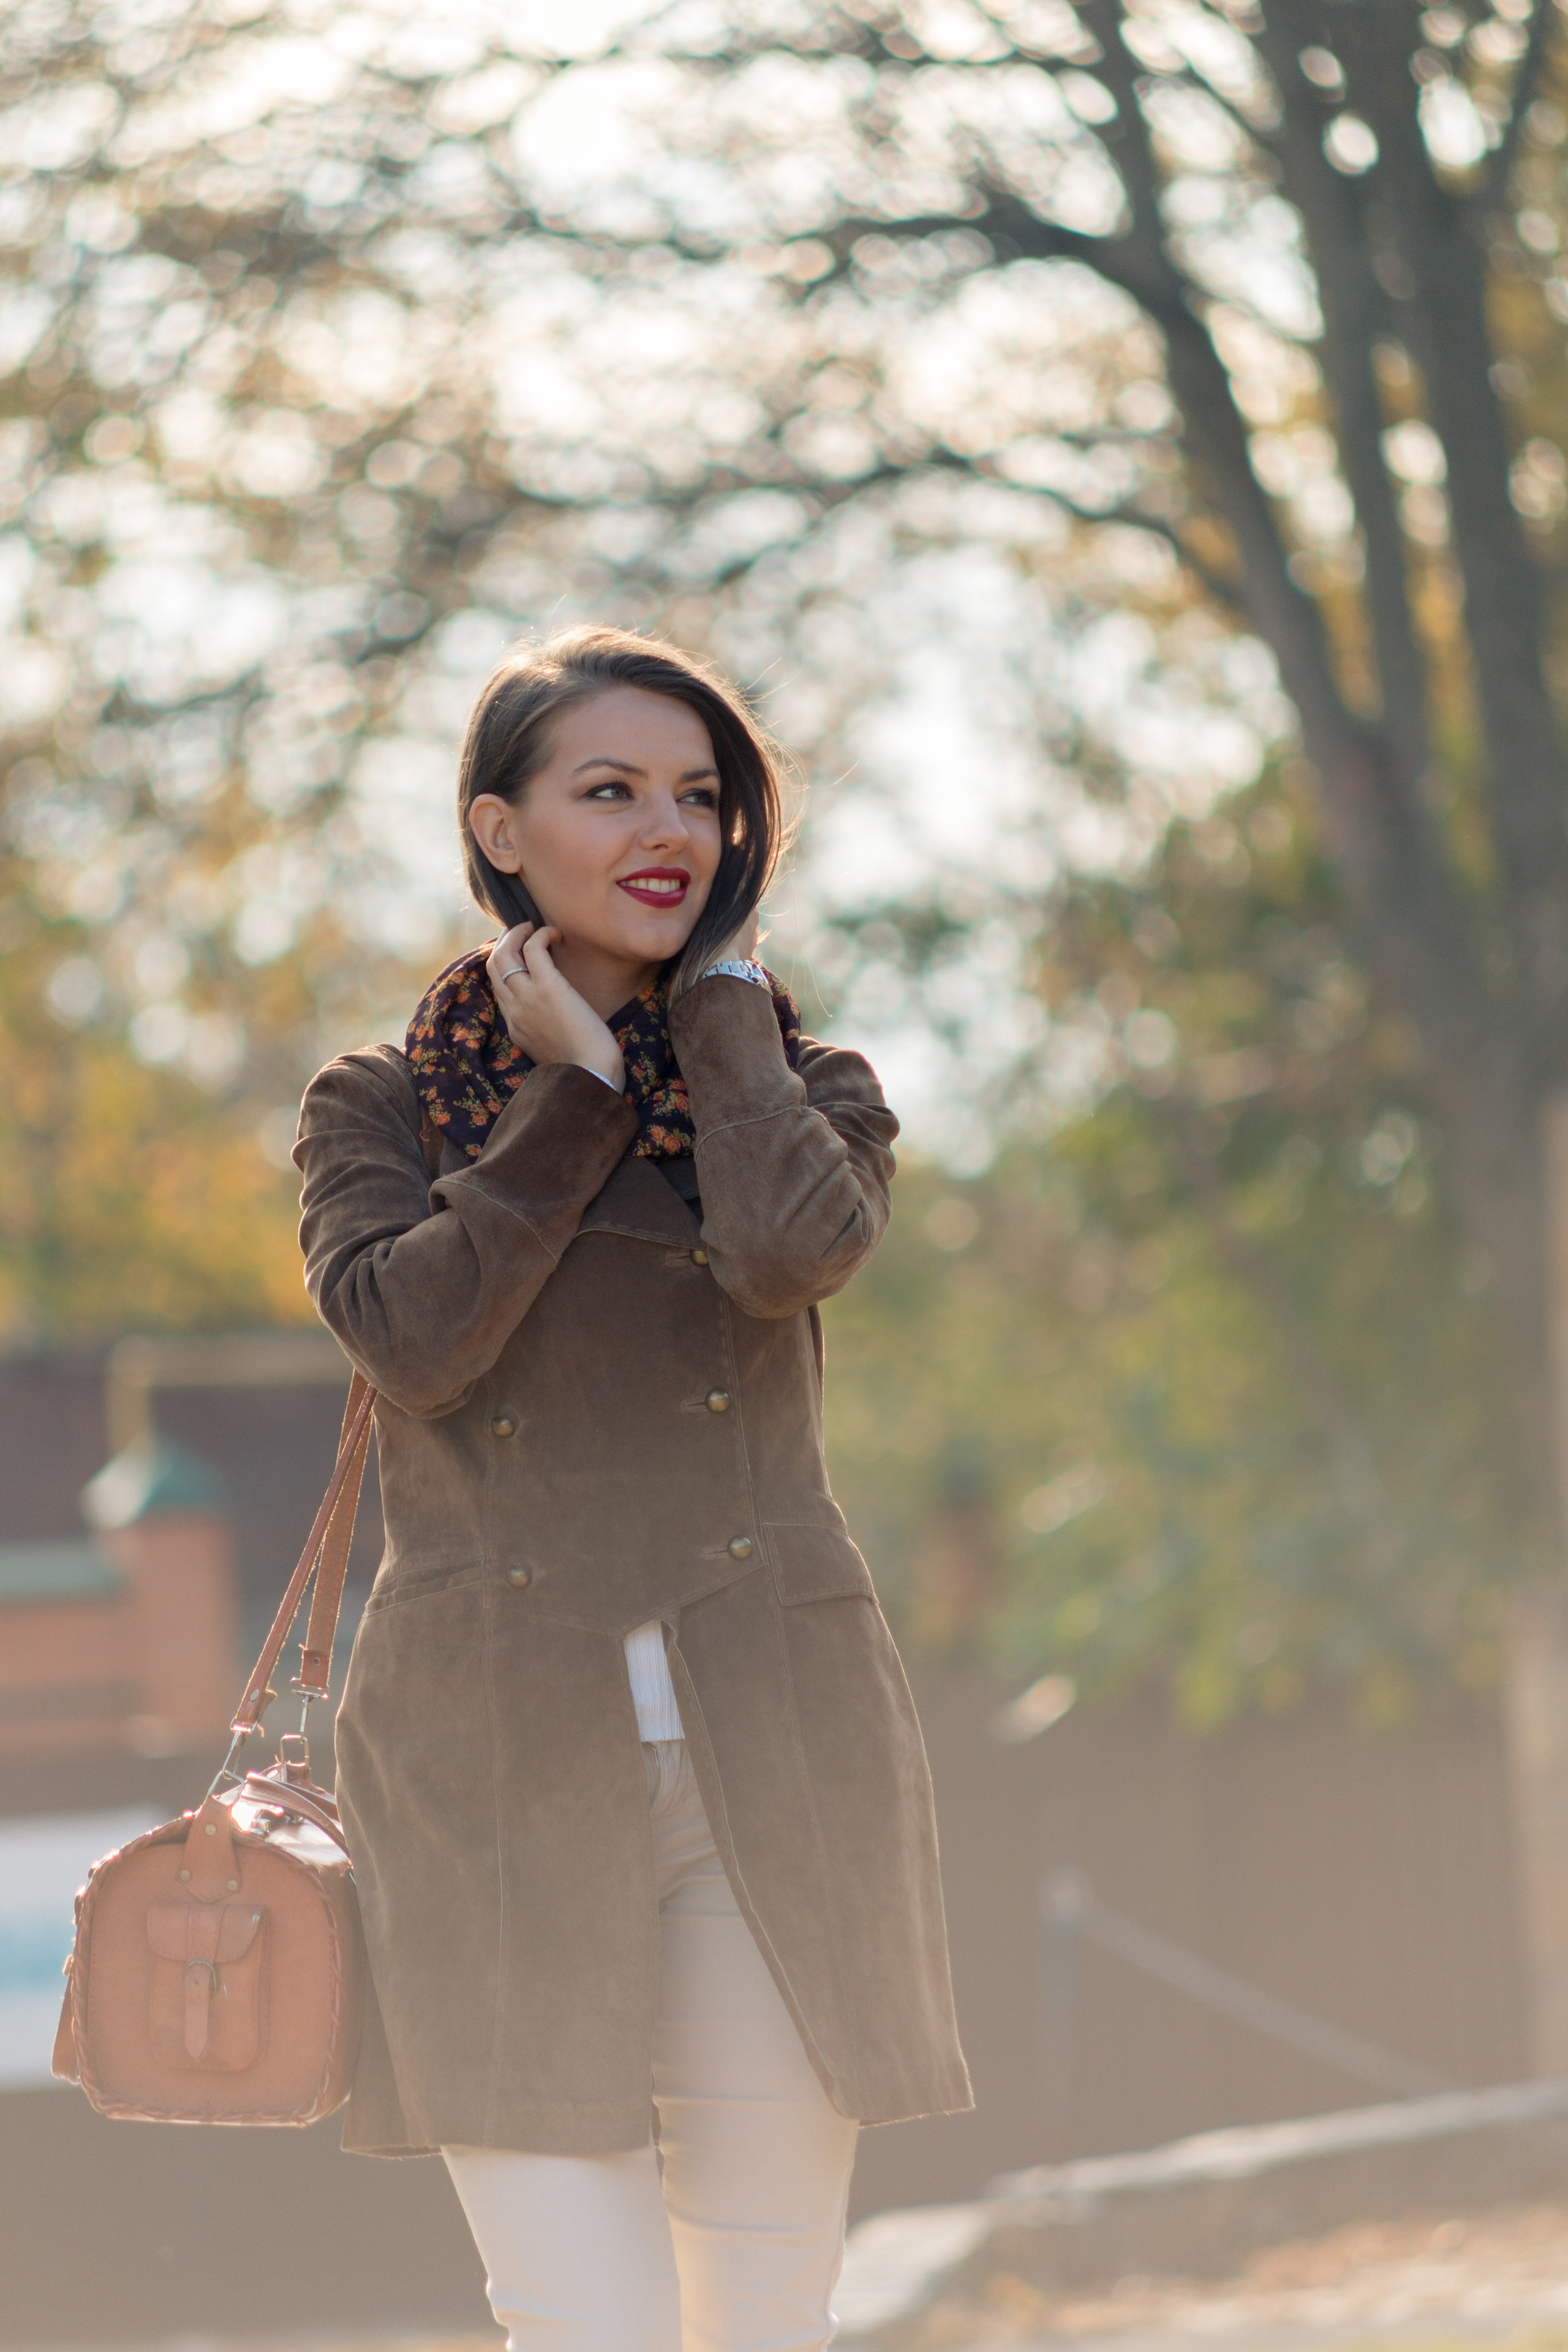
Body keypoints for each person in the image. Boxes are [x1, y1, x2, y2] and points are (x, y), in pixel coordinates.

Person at [293, 627, 971, 2352]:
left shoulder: (803, 1093)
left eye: (701, 796)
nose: (670, 829)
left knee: (760, 2309)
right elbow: (412, 1342)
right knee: (577, 2319)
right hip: (489, 1765)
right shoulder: (380, 1107)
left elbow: (783, 1253)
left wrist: (719, 1018)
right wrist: (578, 1098)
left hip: (779, 1751)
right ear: (502, 829)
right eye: (611, 791)